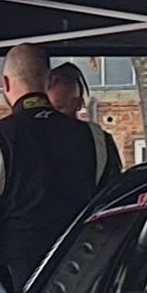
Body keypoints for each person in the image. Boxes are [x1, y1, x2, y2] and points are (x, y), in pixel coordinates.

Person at [0, 41, 108, 290]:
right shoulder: (96, 139)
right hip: (86, 286)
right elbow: (115, 213)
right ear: (48, 83)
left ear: (5, 83)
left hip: (16, 290)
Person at [44, 57, 125, 192]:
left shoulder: (99, 141)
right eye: (48, 109)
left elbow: (113, 187)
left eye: (59, 108)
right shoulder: (29, 139)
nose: (52, 116)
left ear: (79, 104)